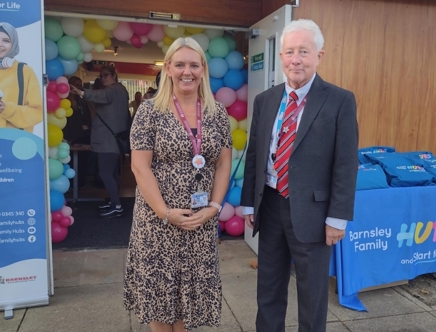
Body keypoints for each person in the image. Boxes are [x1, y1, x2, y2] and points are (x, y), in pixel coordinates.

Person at [240, 19, 358, 332]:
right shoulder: (265, 100)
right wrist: (250, 204)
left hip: (315, 215)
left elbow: (346, 163)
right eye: (289, 52)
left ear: (319, 56)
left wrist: (338, 218)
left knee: (312, 295)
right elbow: (254, 155)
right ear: (280, 57)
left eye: (303, 51)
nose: (296, 59)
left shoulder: (339, 101)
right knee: (268, 288)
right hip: (271, 207)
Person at [123, 37, 232, 332]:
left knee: (188, 298)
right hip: (157, 221)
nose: (187, 72)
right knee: (161, 295)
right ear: (168, 68)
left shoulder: (218, 113)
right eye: (180, 64)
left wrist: (214, 206)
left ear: (203, 69)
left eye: (194, 65)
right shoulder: (149, 111)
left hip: (200, 219)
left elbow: (223, 164)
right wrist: (164, 212)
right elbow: (139, 166)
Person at [70, 66, 130, 218]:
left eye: (105, 75)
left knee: (105, 174)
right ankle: (114, 201)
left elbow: (101, 95)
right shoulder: (121, 90)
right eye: (101, 76)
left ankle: (116, 205)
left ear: (114, 75)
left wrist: (81, 92)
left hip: (107, 141)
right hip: (114, 139)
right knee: (112, 174)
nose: (103, 78)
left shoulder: (113, 90)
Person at [63, 76, 94, 188]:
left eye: (80, 85)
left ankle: (80, 184)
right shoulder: (66, 101)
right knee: (72, 162)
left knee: (83, 161)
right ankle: (72, 185)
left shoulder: (82, 100)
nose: (79, 87)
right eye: (76, 84)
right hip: (73, 136)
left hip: (85, 135)